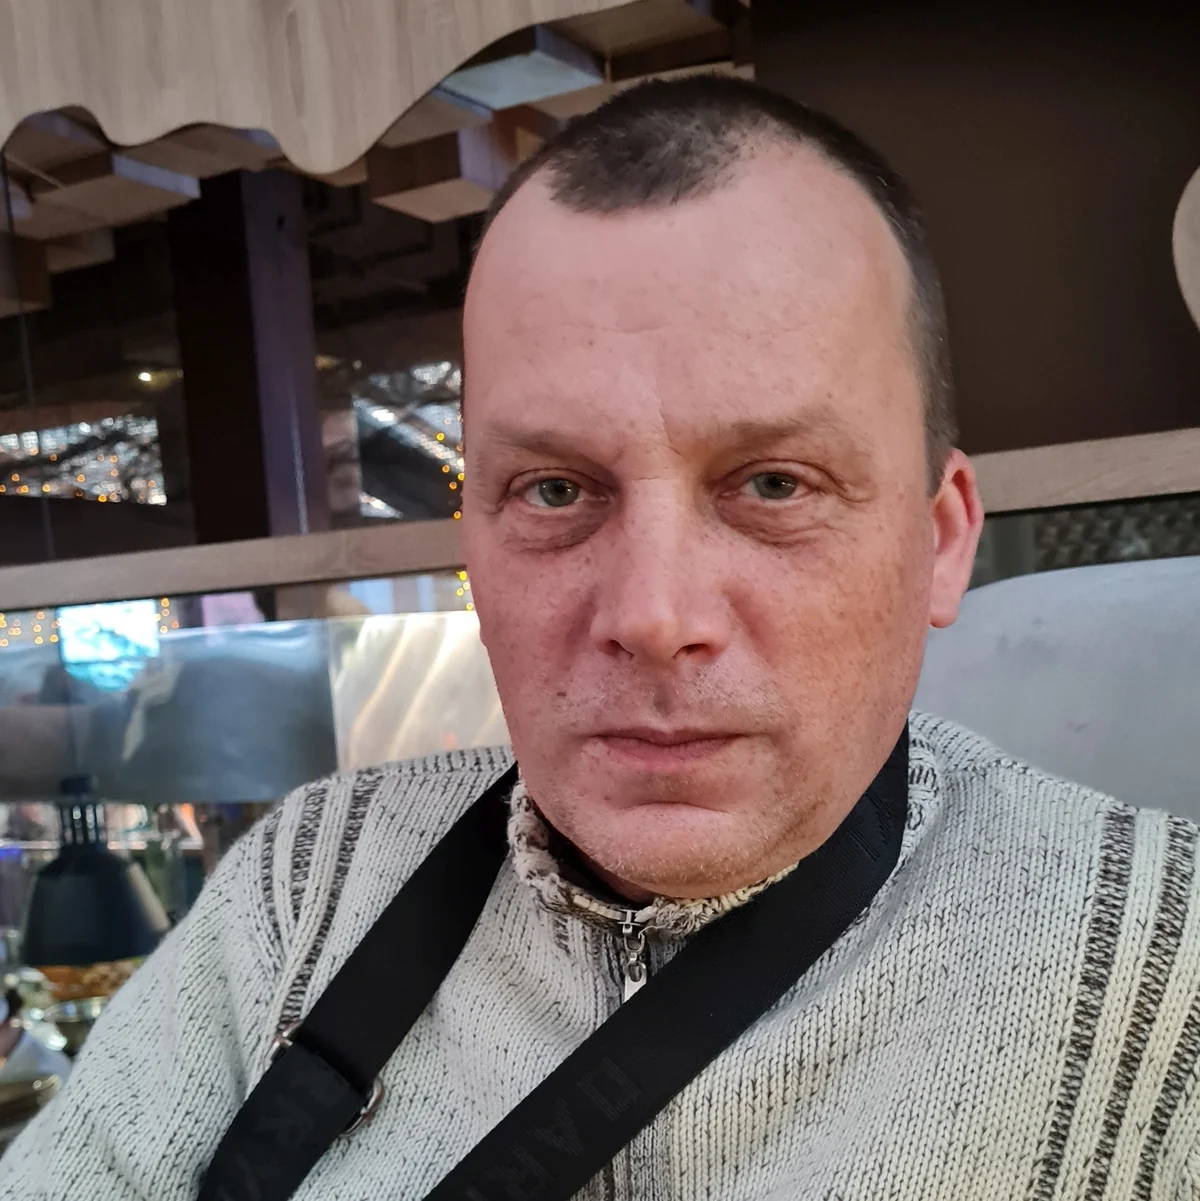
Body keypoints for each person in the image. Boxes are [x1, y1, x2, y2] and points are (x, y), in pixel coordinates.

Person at [3, 75, 1199, 1200]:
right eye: (556, 491)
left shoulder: (1166, 968)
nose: (652, 616)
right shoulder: (303, 891)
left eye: (774, 484)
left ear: (938, 541)